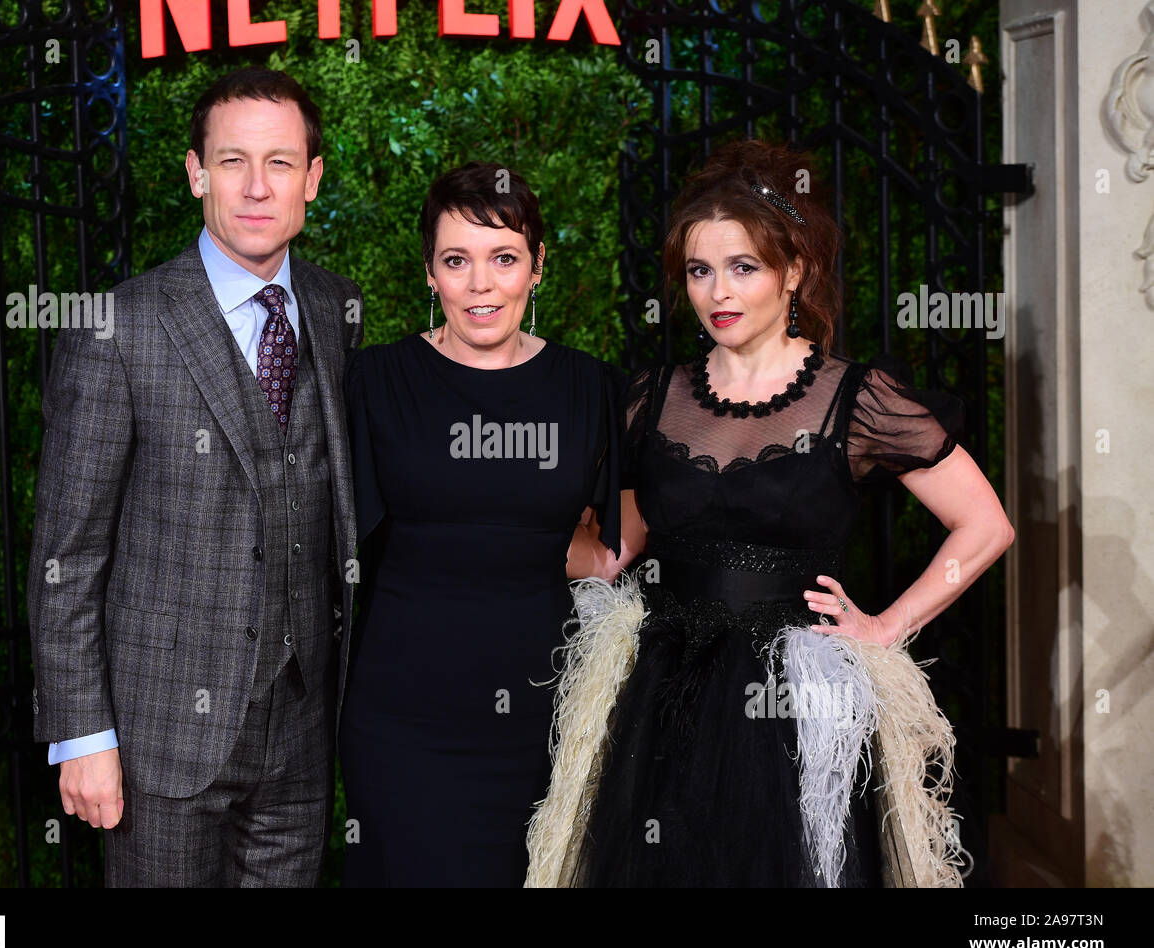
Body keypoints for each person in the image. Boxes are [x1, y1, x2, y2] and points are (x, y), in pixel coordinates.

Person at [528, 139, 1016, 888]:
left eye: (743, 267)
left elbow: (986, 526)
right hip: (661, 698)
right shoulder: (649, 397)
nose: (718, 291)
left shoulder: (860, 399)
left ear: (793, 272)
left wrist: (885, 628)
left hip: (799, 709)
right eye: (699, 270)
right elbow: (612, 553)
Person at [27, 67, 363, 886]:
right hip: (161, 741)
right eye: (233, 160)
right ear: (195, 173)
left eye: (280, 163)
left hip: (303, 733)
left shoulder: (334, 307)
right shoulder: (121, 325)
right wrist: (83, 736)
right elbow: (68, 555)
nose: (256, 187)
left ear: (311, 180)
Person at [339, 162, 623, 886]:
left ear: (537, 266)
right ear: (430, 273)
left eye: (504, 258)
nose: (480, 284)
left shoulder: (587, 386)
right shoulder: (373, 381)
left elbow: (616, 535)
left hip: (542, 717)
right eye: (455, 261)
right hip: (400, 722)